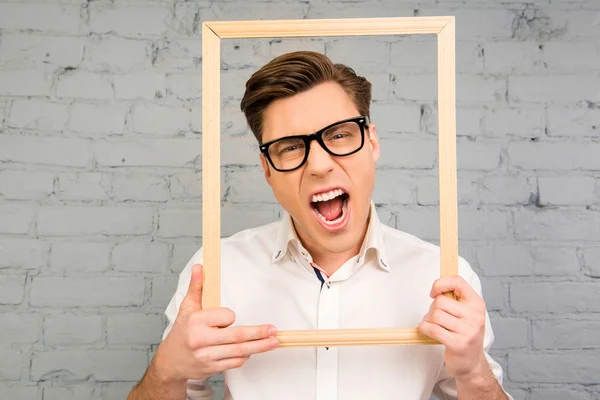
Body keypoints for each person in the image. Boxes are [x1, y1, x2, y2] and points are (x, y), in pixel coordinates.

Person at [128, 51, 512, 400]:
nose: (319, 164)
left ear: (372, 142)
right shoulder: (217, 271)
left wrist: (474, 372)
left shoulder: (444, 278)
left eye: (339, 135)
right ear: (267, 170)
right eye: (292, 146)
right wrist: (167, 371)